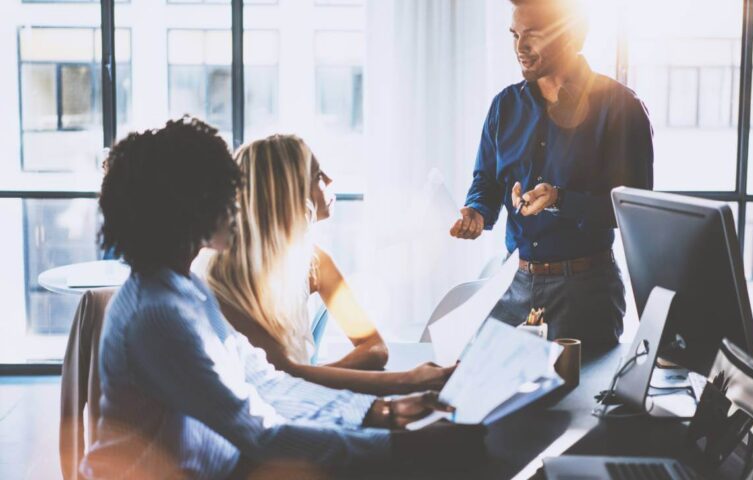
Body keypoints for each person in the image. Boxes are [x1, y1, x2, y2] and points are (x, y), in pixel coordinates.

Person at [82, 118, 484, 479]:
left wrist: (385, 412)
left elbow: (266, 383)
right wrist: (398, 442)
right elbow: (259, 433)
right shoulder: (157, 317)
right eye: (223, 191)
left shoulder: (185, 289)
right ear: (185, 209)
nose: (235, 204)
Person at [450, 0, 654, 347]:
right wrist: (476, 212)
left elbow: (633, 213)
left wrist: (561, 200)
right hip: (513, 284)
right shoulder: (505, 106)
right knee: (478, 383)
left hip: (585, 293)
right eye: (515, 34)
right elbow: (486, 181)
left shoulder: (621, 108)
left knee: (577, 399)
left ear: (571, 33)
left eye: (533, 35)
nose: (520, 48)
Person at [207, 135, 454, 396]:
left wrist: (317, 376)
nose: (330, 180)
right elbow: (281, 376)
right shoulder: (227, 275)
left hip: (296, 399)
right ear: (288, 191)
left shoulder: (315, 261)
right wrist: (408, 379)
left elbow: (374, 348)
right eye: (317, 176)